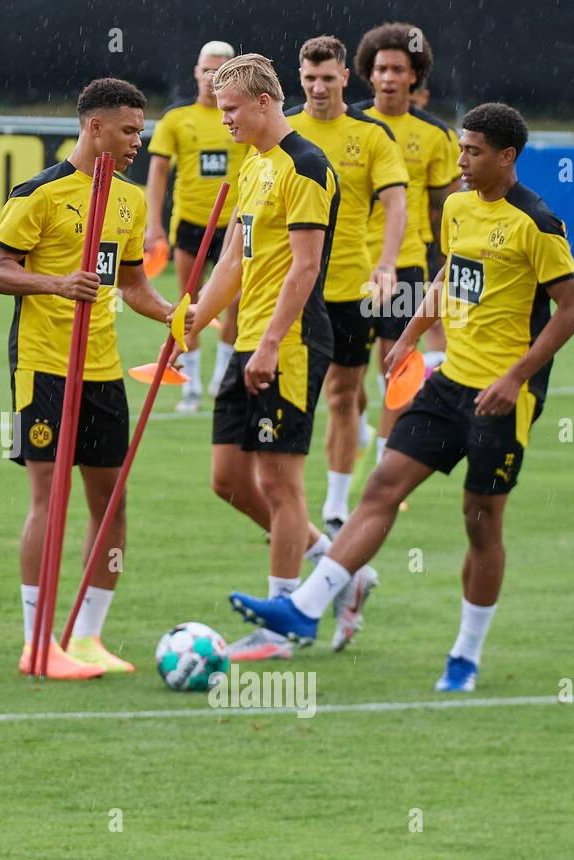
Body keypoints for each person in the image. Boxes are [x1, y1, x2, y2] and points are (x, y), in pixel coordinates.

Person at [229, 103, 574, 687]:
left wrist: (516, 376)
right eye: (461, 148)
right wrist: (412, 336)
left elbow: (572, 310)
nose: (462, 161)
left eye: (473, 151)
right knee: (383, 485)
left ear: (507, 157)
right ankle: (305, 607)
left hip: (503, 397)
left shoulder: (537, 222)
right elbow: (450, 276)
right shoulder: (459, 208)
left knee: (480, 522)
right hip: (449, 383)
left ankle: (465, 654)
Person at [0, 77, 178, 679]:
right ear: (94, 127)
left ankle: (87, 635)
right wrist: (57, 284)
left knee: (111, 504)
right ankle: (36, 642)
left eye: (141, 132)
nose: (137, 142)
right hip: (43, 364)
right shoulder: (38, 193)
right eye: (128, 130)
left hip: (102, 368)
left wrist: (176, 314)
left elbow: (133, 285)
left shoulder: (130, 201)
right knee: (49, 499)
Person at [181, 53, 359, 662]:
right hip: (249, 340)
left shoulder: (306, 167)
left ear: (263, 103)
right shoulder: (253, 165)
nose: (222, 118)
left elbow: (306, 268)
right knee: (228, 479)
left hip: (291, 341)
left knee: (280, 485)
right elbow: (232, 260)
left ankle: (280, 625)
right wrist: (192, 321)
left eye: (230, 109)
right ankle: (342, 572)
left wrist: (273, 342)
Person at [285, 35, 408, 540]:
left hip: (351, 289)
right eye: (310, 79)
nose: (318, 88)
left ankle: (334, 509)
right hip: (293, 287)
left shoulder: (372, 135)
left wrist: (386, 264)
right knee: (294, 397)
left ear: (344, 78)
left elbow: (396, 204)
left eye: (328, 78)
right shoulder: (284, 130)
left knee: (341, 395)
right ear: (300, 77)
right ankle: (286, 499)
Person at [353, 23, 462, 466]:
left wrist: (449, 263)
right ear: (368, 73)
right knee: (342, 379)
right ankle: (356, 425)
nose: (389, 77)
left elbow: (450, 207)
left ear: (414, 75)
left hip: (406, 265)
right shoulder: (350, 124)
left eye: (399, 69)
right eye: (381, 68)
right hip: (348, 265)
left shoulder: (435, 135)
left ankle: (384, 463)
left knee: (394, 369)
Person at [146, 40, 247, 412]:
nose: (212, 77)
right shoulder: (176, 119)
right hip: (190, 223)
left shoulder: (240, 116)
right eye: (207, 69)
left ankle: (223, 377)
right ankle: (190, 386)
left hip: (234, 224)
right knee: (189, 302)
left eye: (221, 70)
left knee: (235, 302)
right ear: (196, 71)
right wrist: (153, 224)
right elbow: (158, 172)